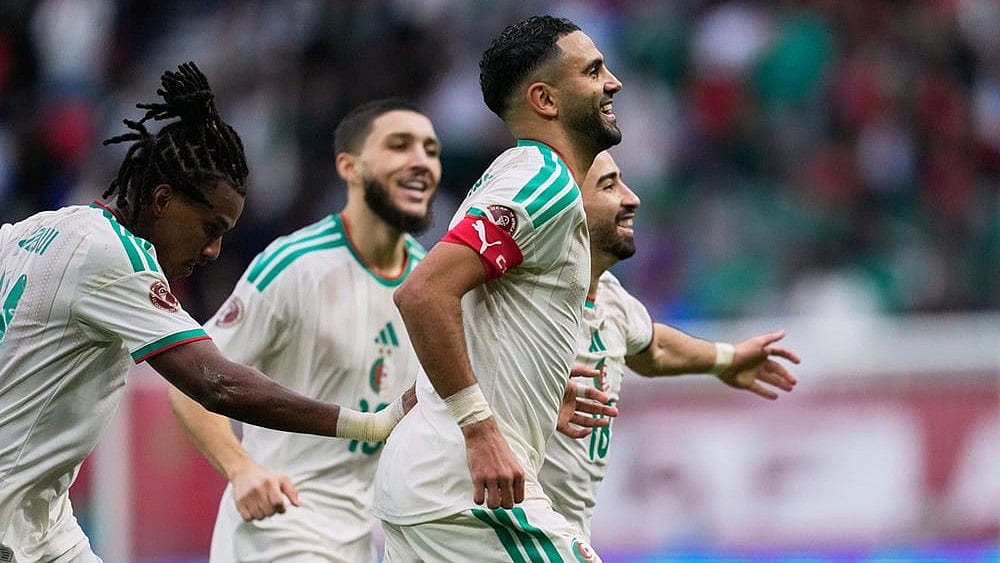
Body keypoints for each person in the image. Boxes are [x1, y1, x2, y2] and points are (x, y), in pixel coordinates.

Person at [0, 63, 409, 563]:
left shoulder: (30, 231)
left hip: (44, 529)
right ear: (163, 201)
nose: (213, 251)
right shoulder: (116, 259)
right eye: (209, 227)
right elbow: (216, 383)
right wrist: (367, 424)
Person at [372, 15, 622, 562]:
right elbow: (423, 294)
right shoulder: (542, 182)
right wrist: (481, 430)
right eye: (593, 71)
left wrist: (532, 390)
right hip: (466, 493)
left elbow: (470, 305)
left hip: (432, 486)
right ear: (546, 100)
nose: (613, 83)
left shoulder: (517, 176)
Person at [166, 98, 441, 562]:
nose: (422, 161)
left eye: (431, 150)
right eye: (400, 145)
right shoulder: (295, 265)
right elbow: (191, 385)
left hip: (363, 537)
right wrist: (242, 471)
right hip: (279, 529)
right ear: (350, 167)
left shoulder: (430, 283)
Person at [539, 150, 801, 541]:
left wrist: (725, 359)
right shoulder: (517, 294)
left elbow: (653, 348)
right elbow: (434, 307)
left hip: (564, 528)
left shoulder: (611, 297)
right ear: (568, 207)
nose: (631, 198)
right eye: (608, 186)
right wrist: (522, 399)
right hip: (506, 523)